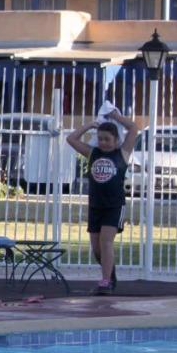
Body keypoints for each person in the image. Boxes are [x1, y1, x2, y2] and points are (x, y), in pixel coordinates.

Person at [67, 106, 139, 295]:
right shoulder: (93, 153)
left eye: (107, 139)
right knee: (97, 250)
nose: (103, 142)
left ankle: (105, 282)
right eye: (100, 139)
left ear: (116, 140)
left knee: (106, 242)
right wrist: (90, 125)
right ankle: (111, 275)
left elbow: (133, 129)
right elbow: (71, 139)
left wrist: (117, 116)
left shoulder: (122, 153)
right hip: (96, 206)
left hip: (114, 205)